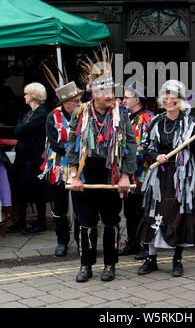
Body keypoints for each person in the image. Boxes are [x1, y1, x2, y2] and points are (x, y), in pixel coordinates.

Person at [66, 49, 137, 282]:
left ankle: (110, 264)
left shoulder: (121, 113)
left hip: (111, 172)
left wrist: (126, 176)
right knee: (86, 223)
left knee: (111, 222)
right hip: (86, 172)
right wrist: (74, 174)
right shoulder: (81, 111)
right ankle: (86, 265)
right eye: (106, 90)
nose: (111, 94)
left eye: (112, 90)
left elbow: (130, 143)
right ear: (94, 93)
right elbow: (72, 144)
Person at [136, 80, 195, 277]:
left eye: (173, 100)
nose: (169, 102)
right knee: (154, 213)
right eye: (166, 99)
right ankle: (151, 259)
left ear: (181, 102)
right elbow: (147, 145)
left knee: (179, 215)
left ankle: (177, 259)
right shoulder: (156, 121)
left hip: (182, 179)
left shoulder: (192, 124)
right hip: (159, 177)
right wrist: (155, 155)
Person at [39, 65, 82, 257]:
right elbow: (55, 145)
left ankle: (82, 242)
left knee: (81, 205)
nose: (80, 102)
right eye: (76, 100)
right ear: (65, 102)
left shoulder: (83, 114)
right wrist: (76, 149)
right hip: (59, 166)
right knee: (60, 207)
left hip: (79, 168)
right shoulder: (52, 117)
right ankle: (62, 242)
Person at [11, 82, 53, 234]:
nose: (24, 96)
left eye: (26, 93)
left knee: (36, 191)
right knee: (20, 189)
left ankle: (40, 222)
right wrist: (21, 128)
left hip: (34, 158)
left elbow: (24, 129)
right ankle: (20, 221)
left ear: (34, 96)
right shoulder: (29, 113)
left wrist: (21, 128)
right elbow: (19, 129)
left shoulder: (41, 113)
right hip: (24, 157)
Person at [119, 81, 154, 260]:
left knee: (143, 210)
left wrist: (124, 154)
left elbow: (145, 147)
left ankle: (146, 245)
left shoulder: (148, 118)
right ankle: (132, 242)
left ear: (137, 99)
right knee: (130, 211)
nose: (123, 100)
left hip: (143, 174)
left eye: (127, 97)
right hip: (128, 174)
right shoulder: (127, 117)